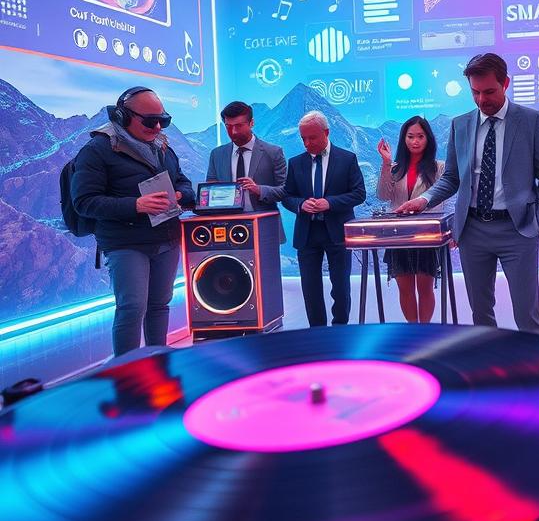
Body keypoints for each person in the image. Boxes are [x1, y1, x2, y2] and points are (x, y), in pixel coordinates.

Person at [396, 53, 539, 333]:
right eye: (475, 92)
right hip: (472, 232)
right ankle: (489, 371)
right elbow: (452, 178)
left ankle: (535, 371)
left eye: (489, 91)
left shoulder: (531, 120)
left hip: (517, 230)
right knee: (480, 313)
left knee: (526, 314)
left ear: (506, 83)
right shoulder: (461, 124)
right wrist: (424, 199)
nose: (482, 100)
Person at [71, 86, 195, 355]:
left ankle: (159, 362)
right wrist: (135, 205)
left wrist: (180, 194)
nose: (159, 126)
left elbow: (183, 182)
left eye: (164, 120)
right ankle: (127, 373)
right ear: (123, 116)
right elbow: (84, 202)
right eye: (151, 121)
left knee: (159, 304)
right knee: (132, 308)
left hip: (166, 237)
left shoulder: (162, 146)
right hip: (125, 242)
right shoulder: (97, 150)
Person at [281, 111, 365, 327]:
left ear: (326, 133)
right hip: (307, 234)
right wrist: (300, 205)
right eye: (303, 139)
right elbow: (287, 197)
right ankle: (317, 333)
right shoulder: (296, 163)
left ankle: (340, 330)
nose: (307, 143)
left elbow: (359, 193)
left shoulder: (347, 159)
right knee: (310, 288)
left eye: (312, 138)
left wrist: (331, 203)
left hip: (337, 231)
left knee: (340, 287)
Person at [376, 117, 445, 323]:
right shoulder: (395, 168)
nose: (415, 141)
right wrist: (386, 163)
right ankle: (412, 331)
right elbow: (382, 195)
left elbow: (442, 199)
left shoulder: (438, 167)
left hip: (426, 235)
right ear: (403, 139)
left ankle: (424, 332)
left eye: (420, 136)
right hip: (398, 236)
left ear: (428, 139)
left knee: (425, 288)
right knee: (405, 289)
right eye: (410, 136)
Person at [206, 101, 287, 239]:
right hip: (226, 229)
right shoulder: (217, 154)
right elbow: (210, 188)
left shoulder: (273, 152)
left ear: (251, 123)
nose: (233, 132)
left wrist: (259, 189)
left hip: (264, 227)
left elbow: (285, 190)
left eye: (239, 126)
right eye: (228, 126)